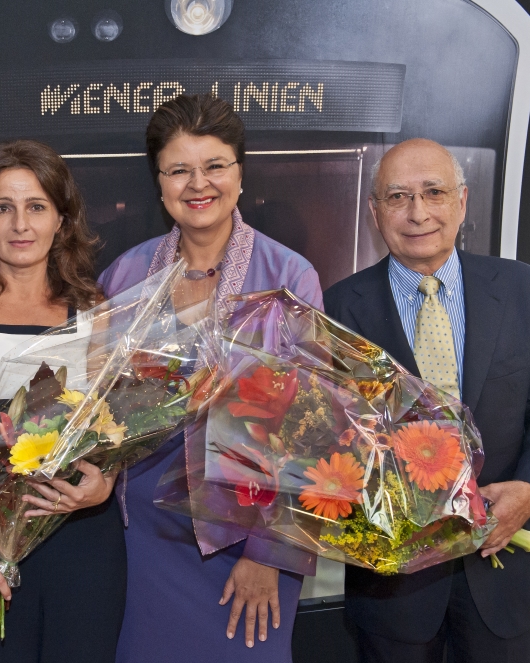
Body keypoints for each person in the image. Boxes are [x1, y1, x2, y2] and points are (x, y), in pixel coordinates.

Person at [323, 138, 530, 663]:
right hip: (394, 587)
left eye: (433, 192)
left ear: (461, 202)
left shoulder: (525, 290)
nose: (417, 212)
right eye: (397, 197)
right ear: (375, 213)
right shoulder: (337, 308)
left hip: (502, 573)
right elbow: (328, 436)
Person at [98, 93, 322, 661]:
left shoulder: (290, 277)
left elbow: (312, 432)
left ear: (240, 175)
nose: (199, 184)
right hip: (140, 540)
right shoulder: (124, 274)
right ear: (160, 182)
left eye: (215, 166)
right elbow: (95, 410)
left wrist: (268, 555)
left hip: (249, 541)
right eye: (179, 170)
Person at [0, 139, 126, 662]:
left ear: (61, 220)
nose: (20, 225)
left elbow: (112, 430)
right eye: (3, 208)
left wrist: (104, 486)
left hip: (79, 539)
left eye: (36, 207)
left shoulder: (92, 310)